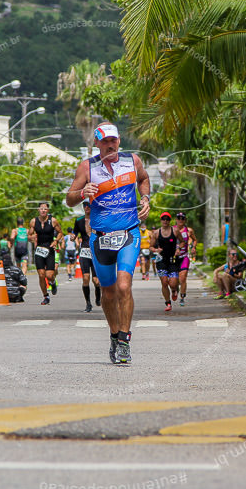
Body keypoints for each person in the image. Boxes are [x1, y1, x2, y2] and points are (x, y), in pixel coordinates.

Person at [66, 122, 150, 364]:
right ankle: (114, 334)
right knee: (108, 293)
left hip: (129, 233)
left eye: (113, 140)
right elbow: (69, 198)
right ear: (96, 143)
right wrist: (83, 193)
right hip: (100, 238)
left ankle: (124, 340)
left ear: (119, 140)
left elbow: (143, 179)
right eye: (105, 141)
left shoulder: (132, 161)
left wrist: (145, 198)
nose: (110, 144)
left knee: (124, 287)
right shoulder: (87, 167)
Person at [29, 202, 63, 305]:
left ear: (48, 210)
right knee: (41, 274)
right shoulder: (33, 221)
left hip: (50, 249)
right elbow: (29, 235)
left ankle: (52, 283)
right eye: (41, 208)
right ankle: (45, 296)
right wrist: (31, 237)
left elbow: (60, 232)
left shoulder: (53, 221)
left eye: (45, 209)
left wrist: (56, 241)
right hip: (39, 250)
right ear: (38, 210)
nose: (43, 210)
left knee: (49, 275)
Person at [73, 200, 101, 313]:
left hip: (95, 250)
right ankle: (88, 303)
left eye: (89, 206)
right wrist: (73, 237)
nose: (87, 208)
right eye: (85, 206)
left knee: (96, 281)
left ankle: (98, 296)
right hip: (84, 250)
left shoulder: (97, 219)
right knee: (85, 278)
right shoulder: (79, 220)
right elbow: (75, 233)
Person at [150, 212, 180, 311]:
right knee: (164, 282)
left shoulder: (175, 231)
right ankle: (168, 303)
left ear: (170, 221)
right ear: (161, 220)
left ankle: (175, 289)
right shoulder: (156, 233)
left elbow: (183, 241)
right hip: (161, 260)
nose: (165, 221)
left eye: (167, 219)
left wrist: (178, 249)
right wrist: (155, 250)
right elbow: (151, 247)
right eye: (163, 219)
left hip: (172, 259)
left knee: (173, 283)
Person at [173, 212, 198, 307]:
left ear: (185, 220)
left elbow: (195, 240)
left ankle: (182, 296)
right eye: (178, 218)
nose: (180, 220)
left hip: (184, 256)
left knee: (183, 278)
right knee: (174, 281)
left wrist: (193, 247)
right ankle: (176, 288)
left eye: (182, 218)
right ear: (176, 219)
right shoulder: (172, 230)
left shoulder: (189, 230)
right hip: (174, 258)